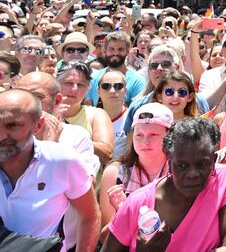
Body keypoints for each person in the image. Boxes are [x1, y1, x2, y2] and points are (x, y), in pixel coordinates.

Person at [103, 118, 226, 252]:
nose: (192, 174)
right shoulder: (136, 203)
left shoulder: (225, 178)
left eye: (203, 164)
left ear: (213, 161)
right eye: (182, 165)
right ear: (169, 160)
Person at [0, 89, 100, 251]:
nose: (2, 135)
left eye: (12, 125)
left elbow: (89, 216)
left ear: (37, 125)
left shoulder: (63, 161)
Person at [99, 103, 173, 240]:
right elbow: (104, 238)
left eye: (153, 134)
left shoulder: (178, 173)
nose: (145, 141)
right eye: (139, 135)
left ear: (169, 136)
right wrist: (123, 213)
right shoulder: (115, 173)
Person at [58, 61, 115, 164]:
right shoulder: (44, 113)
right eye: (68, 83)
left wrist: (68, 135)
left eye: (80, 85)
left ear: (87, 89)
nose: (74, 89)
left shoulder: (95, 115)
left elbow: (107, 154)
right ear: (56, 84)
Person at [86, 32, 145, 105]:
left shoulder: (137, 81)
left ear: (127, 51)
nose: (115, 53)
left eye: (120, 49)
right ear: (104, 50)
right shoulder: (94, 79)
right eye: (112, 49)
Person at [98, 69, 130, 159]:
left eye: (118, 86)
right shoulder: (90, 117)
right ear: (98, 92)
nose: (112, 90)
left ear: (125, 90)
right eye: (105, 86)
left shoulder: (133, 118)